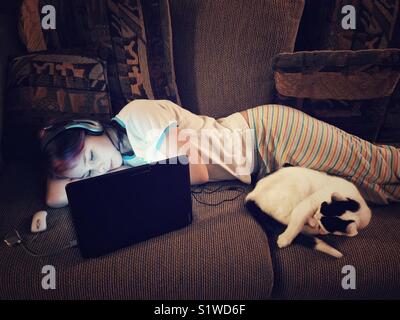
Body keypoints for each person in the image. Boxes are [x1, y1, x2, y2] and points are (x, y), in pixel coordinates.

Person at [40, 99, 400, 208]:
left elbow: (191, 172)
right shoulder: (126, 159)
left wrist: (94, 176)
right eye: (87, 173)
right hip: (265, 168)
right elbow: (56, 198)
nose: (98, 168)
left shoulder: (137, 118)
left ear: (92, 127)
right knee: (375, 193)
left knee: (380, 164)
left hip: (271, 135)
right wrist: (57, 157)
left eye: (90, 157)